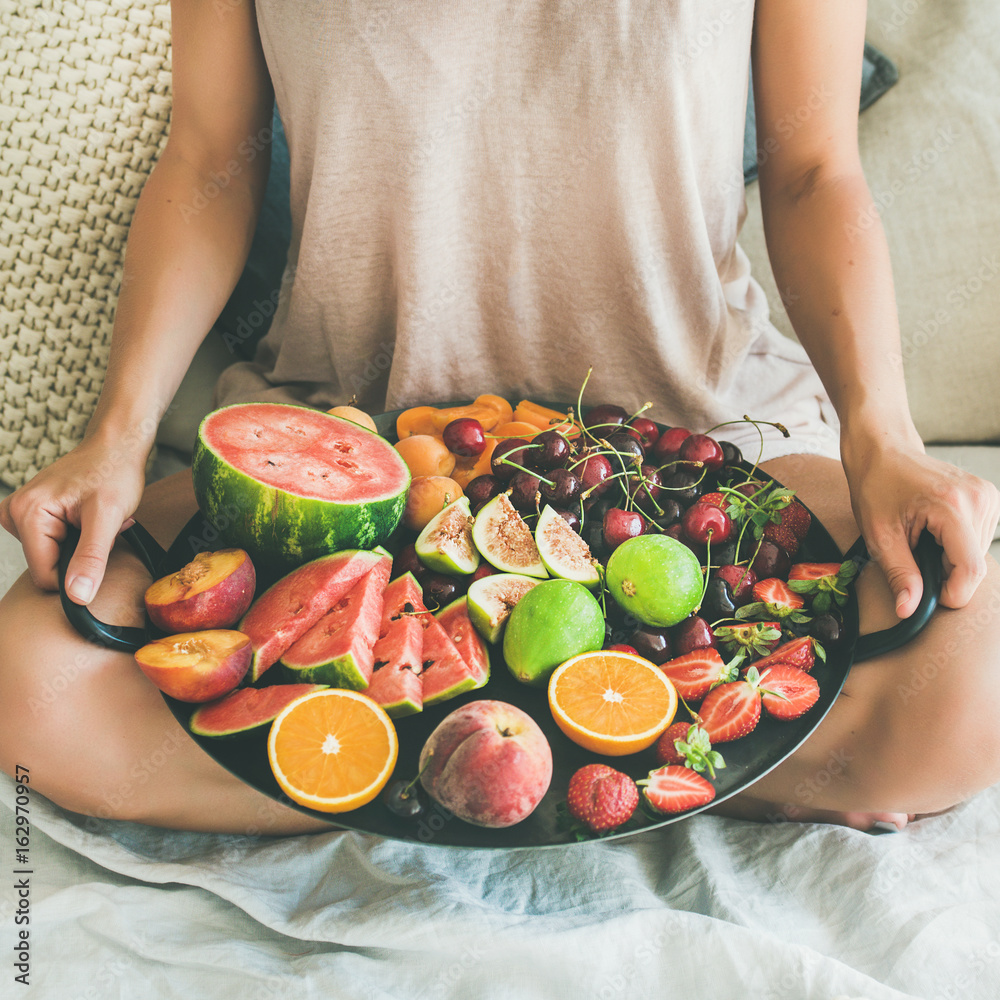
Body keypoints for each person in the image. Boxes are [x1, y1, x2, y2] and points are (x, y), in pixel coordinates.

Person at [1, 1, 998, 835]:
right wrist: (117, 436)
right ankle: (622, 771)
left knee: (973, 683)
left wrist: (883, 436)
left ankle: (379, 769)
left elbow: (811, 169)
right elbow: (211, 160)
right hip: (348, 446)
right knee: (31, 688)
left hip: (699, 442)